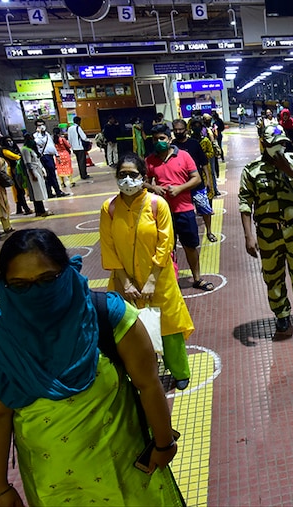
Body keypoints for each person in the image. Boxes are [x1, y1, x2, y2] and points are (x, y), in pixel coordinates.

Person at [0, 229, 184, 506]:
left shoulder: (108, 317)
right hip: (52, 488)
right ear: (5, 286)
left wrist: (164, 444)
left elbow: (148, 384)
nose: (37, 294)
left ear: (66, 271)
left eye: (47, 280)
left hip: (126, 477)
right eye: (21, 285)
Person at [100, 154, 195, 390]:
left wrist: (152, 280)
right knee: (131, 330)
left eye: (133, 175)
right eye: (122, 175)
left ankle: (179, 371)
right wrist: (126, 282)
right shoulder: (109, 208)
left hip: (160, 279)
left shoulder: (157, 204)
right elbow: (108, 246)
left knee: (169, 328)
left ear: (143, 177)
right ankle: (142, 372)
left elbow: (166, 243)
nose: (128, 180)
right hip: (125, 283)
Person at [239, 124, 293, 350]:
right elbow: (245, 203)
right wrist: (248, 236)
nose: (279, 148)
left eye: (282, 144)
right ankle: (282, 314)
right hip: (268, 234)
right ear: (264, 145)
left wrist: (287, 168)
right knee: (273, 278)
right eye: (274, 145)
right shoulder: (251, 170)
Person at [144, 124, 213, 291]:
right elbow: (143, 181)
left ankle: (197, 278)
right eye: (155, 139)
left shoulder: (184, 156)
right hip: (162, 213)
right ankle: (171, 280)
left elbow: (196, 178)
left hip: (185, 210)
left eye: (162, 138)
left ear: (169, 139)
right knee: (167, 248)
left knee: (190, 245)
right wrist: (154, 188)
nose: (159, 142)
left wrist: (180, 188)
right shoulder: (149, 160)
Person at [172, 119, 216, 243]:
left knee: (205, 209)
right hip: (180, 186)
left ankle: (209, 231)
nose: (178, 132)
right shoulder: (172, 145)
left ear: (186, 130)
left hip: (197, 184)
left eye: (181, 129)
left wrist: (207, 179)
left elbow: (204, 163)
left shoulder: (194, 144)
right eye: (175, 130)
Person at [20, 134, 53, 218]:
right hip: (32, 172)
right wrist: (32, 175)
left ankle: (39, 210)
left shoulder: (31, 149)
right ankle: (41, 210)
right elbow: (28, 163)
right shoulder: (25, 150)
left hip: (37, 170)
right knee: (36, 192)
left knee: (39, 191)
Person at [33, 120, 68, 198]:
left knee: (51, 175)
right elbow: (40, 143)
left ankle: (53, 192)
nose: (41, 126)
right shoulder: (36, 136)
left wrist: (57, 155)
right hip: (44, 157)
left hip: (50, 156)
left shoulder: (47, 134)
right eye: (39, 125)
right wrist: (39, 133)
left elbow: (51, 145)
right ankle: (54, 191)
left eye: (42, 124)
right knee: (49, 175)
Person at [0, 137, 32, 215]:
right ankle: (26, 208)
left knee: (18, 190)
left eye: (10, 140)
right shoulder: (5, 150)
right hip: (13, 172)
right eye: (8, 141)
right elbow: (16, 157)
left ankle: (19, 208)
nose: (10, 142)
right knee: (19, 190)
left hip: (16, 170)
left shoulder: (11, 149)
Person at [67, 116, 91, 181]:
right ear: (78, 121)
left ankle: (82, 174)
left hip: (74, 148)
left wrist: (71, 146)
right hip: (80, 147)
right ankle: (84, 175)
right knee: (82, 161)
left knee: (79, 161)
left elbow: (69, 139)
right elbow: (84, 137)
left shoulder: (69, 128)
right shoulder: (78, 128)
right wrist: (89, 141)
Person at [52, 127, 73, 192]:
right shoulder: (62, 139)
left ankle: (62, 183)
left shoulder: (53, 140)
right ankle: (71, 182)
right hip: (65, 154)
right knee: (68, 168)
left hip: (58, 156)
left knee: (60, 169)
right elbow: (69, 146)